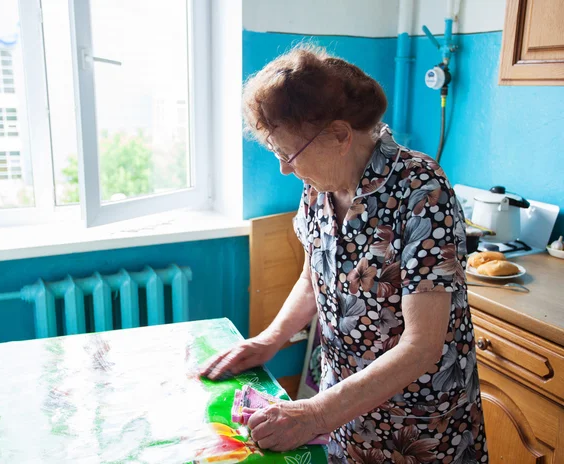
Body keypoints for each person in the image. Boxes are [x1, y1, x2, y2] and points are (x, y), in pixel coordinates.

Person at [201, 45, 488, 464]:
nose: (284, 167)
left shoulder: (421, 189)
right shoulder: (319, 183)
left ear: (339, 135)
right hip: (344, 406)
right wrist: (269, 341)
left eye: (288, 154)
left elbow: (422, 345)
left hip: (419, 424)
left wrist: (313, 412)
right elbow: (312, 278)